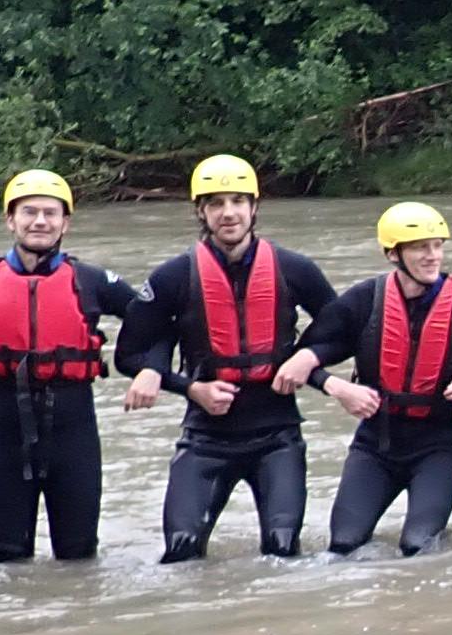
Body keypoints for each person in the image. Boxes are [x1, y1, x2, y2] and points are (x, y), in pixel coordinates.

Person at [117, 155, 338, 562]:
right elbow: (129, 354)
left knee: (282, 551)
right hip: (205, 438)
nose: (228, 213)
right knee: (180, 554)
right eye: (216, 203)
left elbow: (342, 330)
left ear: (254, 207)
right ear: (201, 212)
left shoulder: (295, 269)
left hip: (278, 436)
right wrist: (188, 387)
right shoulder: (172, 276)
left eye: (238, 201)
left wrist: (307, 357)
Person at [0, 168, 145, 563]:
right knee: (7, 560)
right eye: (29, 212)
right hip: (4, 436)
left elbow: (152, 322)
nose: (40, 221)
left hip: (74, 436)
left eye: (50, 213)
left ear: (65, 223)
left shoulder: (92, 280)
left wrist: (148, 370)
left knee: (79, 558)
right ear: (10, 220)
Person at [296, 202, 452, 556]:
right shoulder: (363, 301)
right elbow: (300, 360)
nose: (433, 256)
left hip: (436, 447)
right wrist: (338, 387)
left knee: (418, 548)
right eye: (421, 247)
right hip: (374, 445)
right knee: (343, 547)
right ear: (393, 254)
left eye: (437, 246)